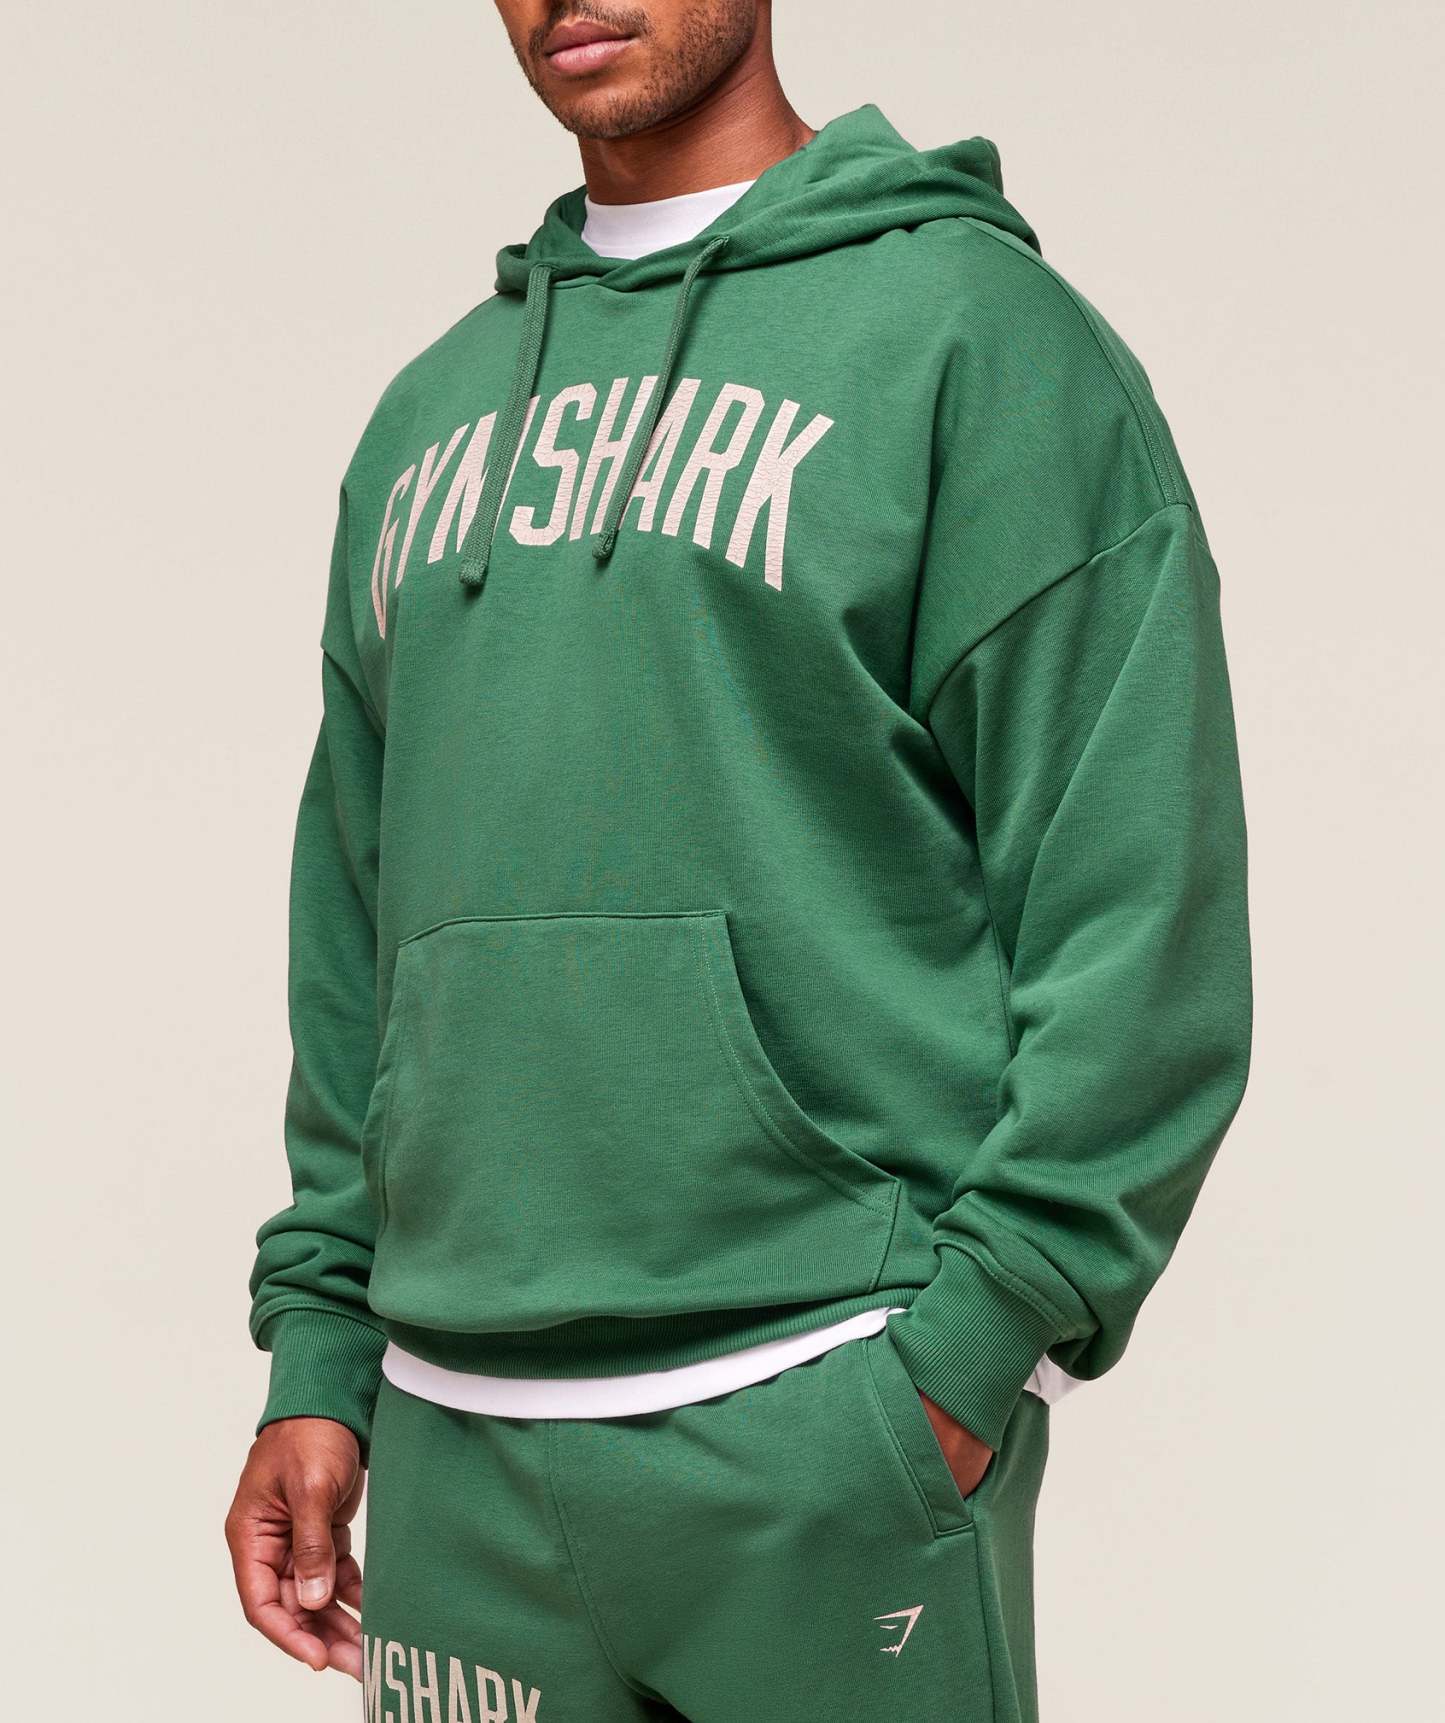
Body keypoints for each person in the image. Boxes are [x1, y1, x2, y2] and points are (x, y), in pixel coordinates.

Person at [226, 3, 1253, 1716]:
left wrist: (972, 1345)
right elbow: (353, 923)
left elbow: (1136, 897)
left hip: (822, 1407)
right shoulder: (429, 415)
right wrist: (319, 1354)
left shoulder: (974, 342)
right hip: (452, 1432)